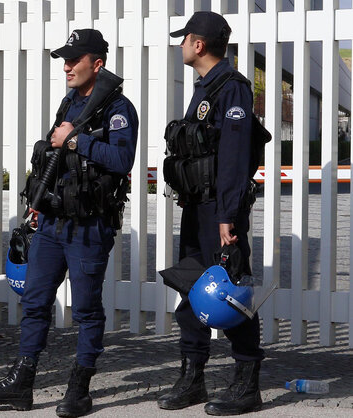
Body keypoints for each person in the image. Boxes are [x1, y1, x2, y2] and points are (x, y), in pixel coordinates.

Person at [0, 29, 138, 417]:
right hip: (53, 221)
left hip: (89, 225)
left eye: (74, 59)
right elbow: (55, 155)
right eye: (65, 58)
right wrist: (41, 202)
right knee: (34, 301)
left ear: (97, 63)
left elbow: (122, 161)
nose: (66, 65)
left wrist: (76, 142)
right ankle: (22, 384)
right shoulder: (70, 102)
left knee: (85, 309)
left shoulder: (117, 108)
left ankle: (78, 389)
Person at [157, 11, 263, 416]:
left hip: (220, 211)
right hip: (198, 206)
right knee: (192, 287)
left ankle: (247, 382)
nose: (181, 44)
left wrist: (228, 215)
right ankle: (193, 376)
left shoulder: (231, 88)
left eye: (184, 38)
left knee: (232, 291)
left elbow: (234, 157)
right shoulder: (205, 86)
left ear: (198, 44)